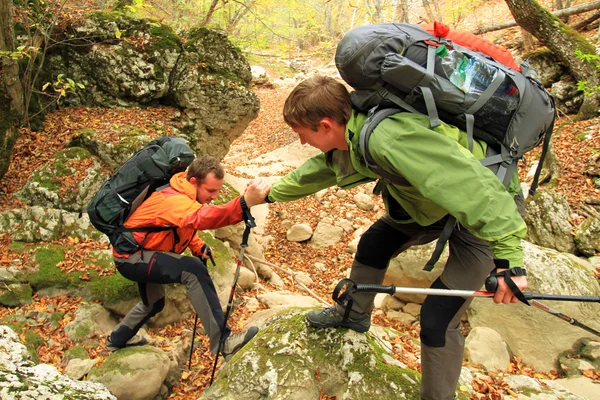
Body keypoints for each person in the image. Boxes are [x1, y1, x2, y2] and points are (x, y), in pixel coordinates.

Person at [265, 76, 528, 400]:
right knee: (375, 242)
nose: (301, 142)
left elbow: (478, 193)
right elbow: (325, 168)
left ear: (324, 125)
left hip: (484, 211)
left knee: (437, 318)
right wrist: (270, 194)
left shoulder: (388, 138)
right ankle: (355, 314)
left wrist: (510, 263)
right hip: (432, 205)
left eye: (300, 134)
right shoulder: (357, 133)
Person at [107, 155, 270, 360]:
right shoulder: (172, 199)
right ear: (193, 182)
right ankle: (223, 342)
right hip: (132, 257)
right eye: (210, 191)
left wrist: (197, 245)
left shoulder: (183, 194)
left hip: (140, 252)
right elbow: (201, 218)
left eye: (217, 191)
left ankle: (118, 339)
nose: (213, 196)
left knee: (154, 302)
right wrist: (244, 203)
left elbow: (181, 225)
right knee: (192, 269)